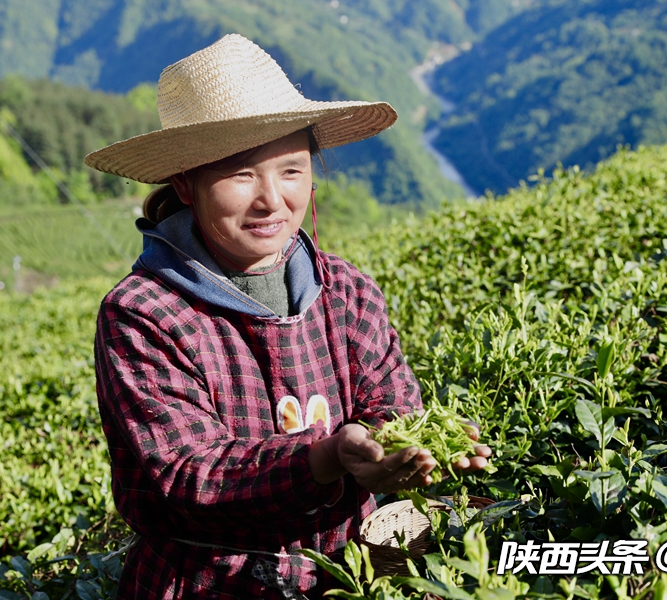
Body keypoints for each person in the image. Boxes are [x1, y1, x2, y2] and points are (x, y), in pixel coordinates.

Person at [86, 34, 490, 599]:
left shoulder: (346, 290)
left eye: (291, 171)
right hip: (207, 585)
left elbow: (391, 402)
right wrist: (324, 457)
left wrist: (401, 448)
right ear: (185, 183)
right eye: (241, 174)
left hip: (354, 574)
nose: (271, 200)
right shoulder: (143, 314)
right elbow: (188, 476)